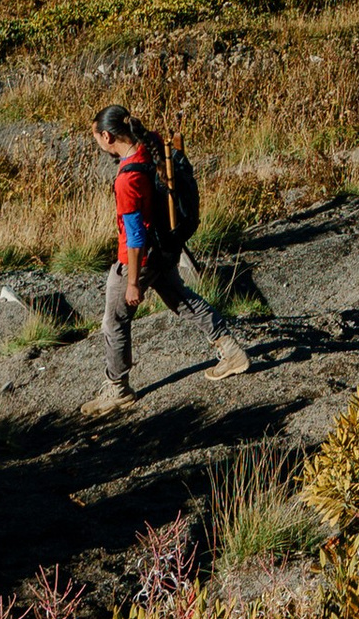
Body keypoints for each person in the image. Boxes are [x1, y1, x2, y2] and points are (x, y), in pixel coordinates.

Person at [80, 106, 249, 416]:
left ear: (107, 136)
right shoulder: (151, 145)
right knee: (182, 299)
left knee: (114, 320)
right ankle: (230, 350)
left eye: (97, 139)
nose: (98, 145)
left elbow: (135, 235)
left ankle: (117, 388)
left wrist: (132, 282)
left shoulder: (127, 180)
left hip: (140, 257)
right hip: (166, 246)